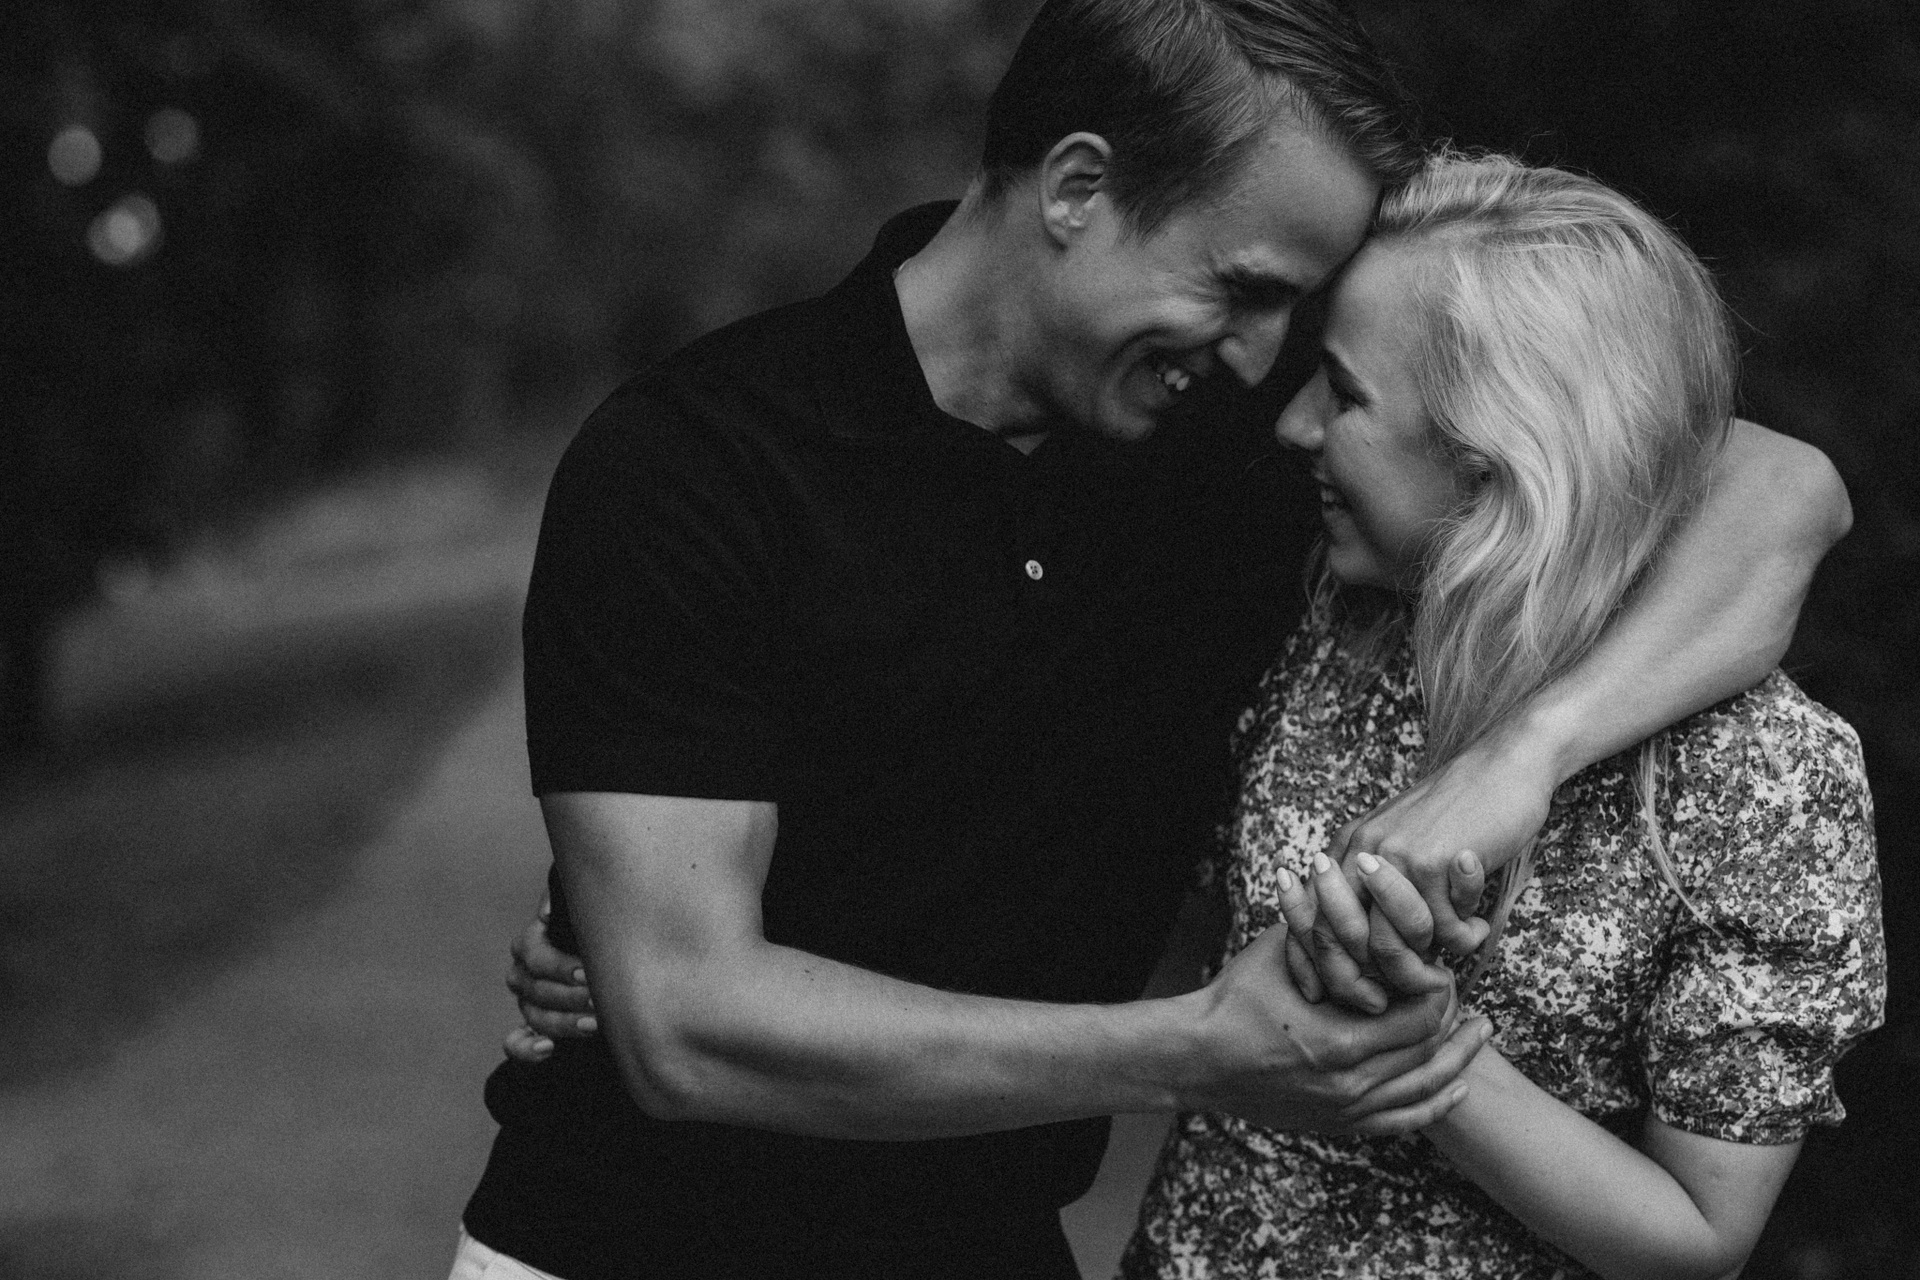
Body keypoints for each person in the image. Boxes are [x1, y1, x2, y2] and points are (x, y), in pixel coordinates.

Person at [467, 2, 1852, 1276]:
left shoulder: (1233, 440)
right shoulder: (693, 464)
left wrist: (1524, 756)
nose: (1263, 359)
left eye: (1293, 314)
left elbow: (1777, 486)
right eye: (1241, 289)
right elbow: (686, 1027)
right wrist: (1193, 1050)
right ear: (1078, 187)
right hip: (621, 1245)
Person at [1119, 152, 1886, 1280]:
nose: (1292, 423)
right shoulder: (1340, 612)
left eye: (1345, 393)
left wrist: (1422, 1047)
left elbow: (1699, 1239)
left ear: (1496, 462)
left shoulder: (1762, 774)